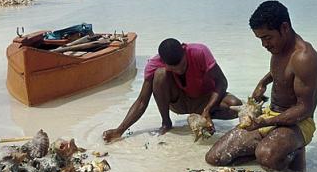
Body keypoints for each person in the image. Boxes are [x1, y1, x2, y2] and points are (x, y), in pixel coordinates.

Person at [205, 0, 317, 172]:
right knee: (215, 158)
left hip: (298, 123)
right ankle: (270, 147)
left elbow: (304, 108)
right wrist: (263, 82)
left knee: (267, 157)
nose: (264, 44)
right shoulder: (279, 47)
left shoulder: (305, 58)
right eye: (260, 39)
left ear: (284, 28)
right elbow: (282, 71)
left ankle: (295, 151)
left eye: (267, 37)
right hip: (270, 116)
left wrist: (264, 122)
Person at [102, 38, 242, 142]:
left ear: (184, 51)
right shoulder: (154, 64)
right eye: (173, 68)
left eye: (181, 65)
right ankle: (166, 123)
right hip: (179, 103)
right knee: (160, 75)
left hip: (204, 99)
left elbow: (222, 82)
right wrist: (120, 130)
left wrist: (207, 109)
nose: (179, 70)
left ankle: (204, 117)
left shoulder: (199, 52)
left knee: (235, 105)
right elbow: (141, 102)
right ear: (163, 61)